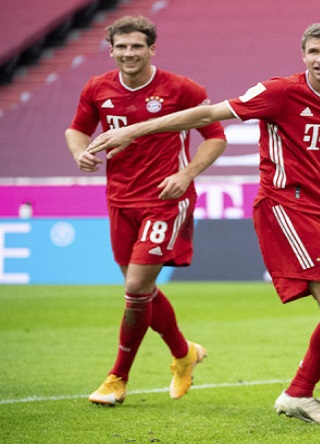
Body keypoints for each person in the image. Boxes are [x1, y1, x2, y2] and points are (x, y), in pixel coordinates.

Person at [86, 21, 320, 425]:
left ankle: (298, 394)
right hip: (286, 204)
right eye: (314, 51)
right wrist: (135, 130)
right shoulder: (279, 91)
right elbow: (210, 113)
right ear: (303, 54)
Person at [65, 16, 227, 406]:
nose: (129, 53)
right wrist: (80, 152)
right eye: (121, 47)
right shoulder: (97, 88)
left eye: (136, 46)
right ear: (111, 51)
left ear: (151, 49)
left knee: (136, 287)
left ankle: (117, 378)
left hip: (165, 198)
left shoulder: (182, 89)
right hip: (120, 199)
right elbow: (76, 130)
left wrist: (186, 175)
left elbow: (216, 138)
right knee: (142, 290)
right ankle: (184, 353)